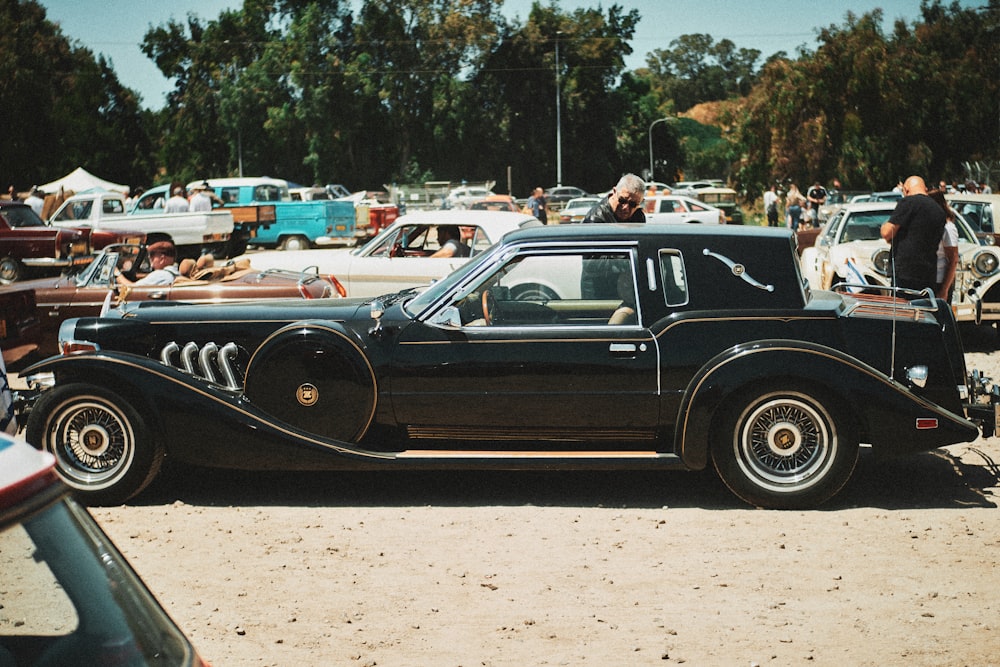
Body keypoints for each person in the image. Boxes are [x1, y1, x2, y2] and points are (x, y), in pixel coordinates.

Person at [880, 175, 946, 295]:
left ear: (906, 190)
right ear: (925, 189)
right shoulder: (939, 210)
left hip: (905, 273)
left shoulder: (908, 202)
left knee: (903, 311)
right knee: (923, 311)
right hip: (929, 273)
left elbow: (886, 233)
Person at [927, 188, 959, 301]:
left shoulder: (948, 227)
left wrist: (944, 289)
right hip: (928, 279)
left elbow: (953, 259)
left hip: (940, 281)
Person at [582, 173, 646, 223]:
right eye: (622, 200)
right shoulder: (596, 218)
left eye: (633, 204)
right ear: (614, 192)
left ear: (640, 203)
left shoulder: (638, 215)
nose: (625, 207)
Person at [117, 241, 181, 286]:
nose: (149, 257)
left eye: (152, 254)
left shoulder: (161, 275)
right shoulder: (175, 273)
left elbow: (131, 289)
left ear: (162, 259)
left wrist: (116, 273)